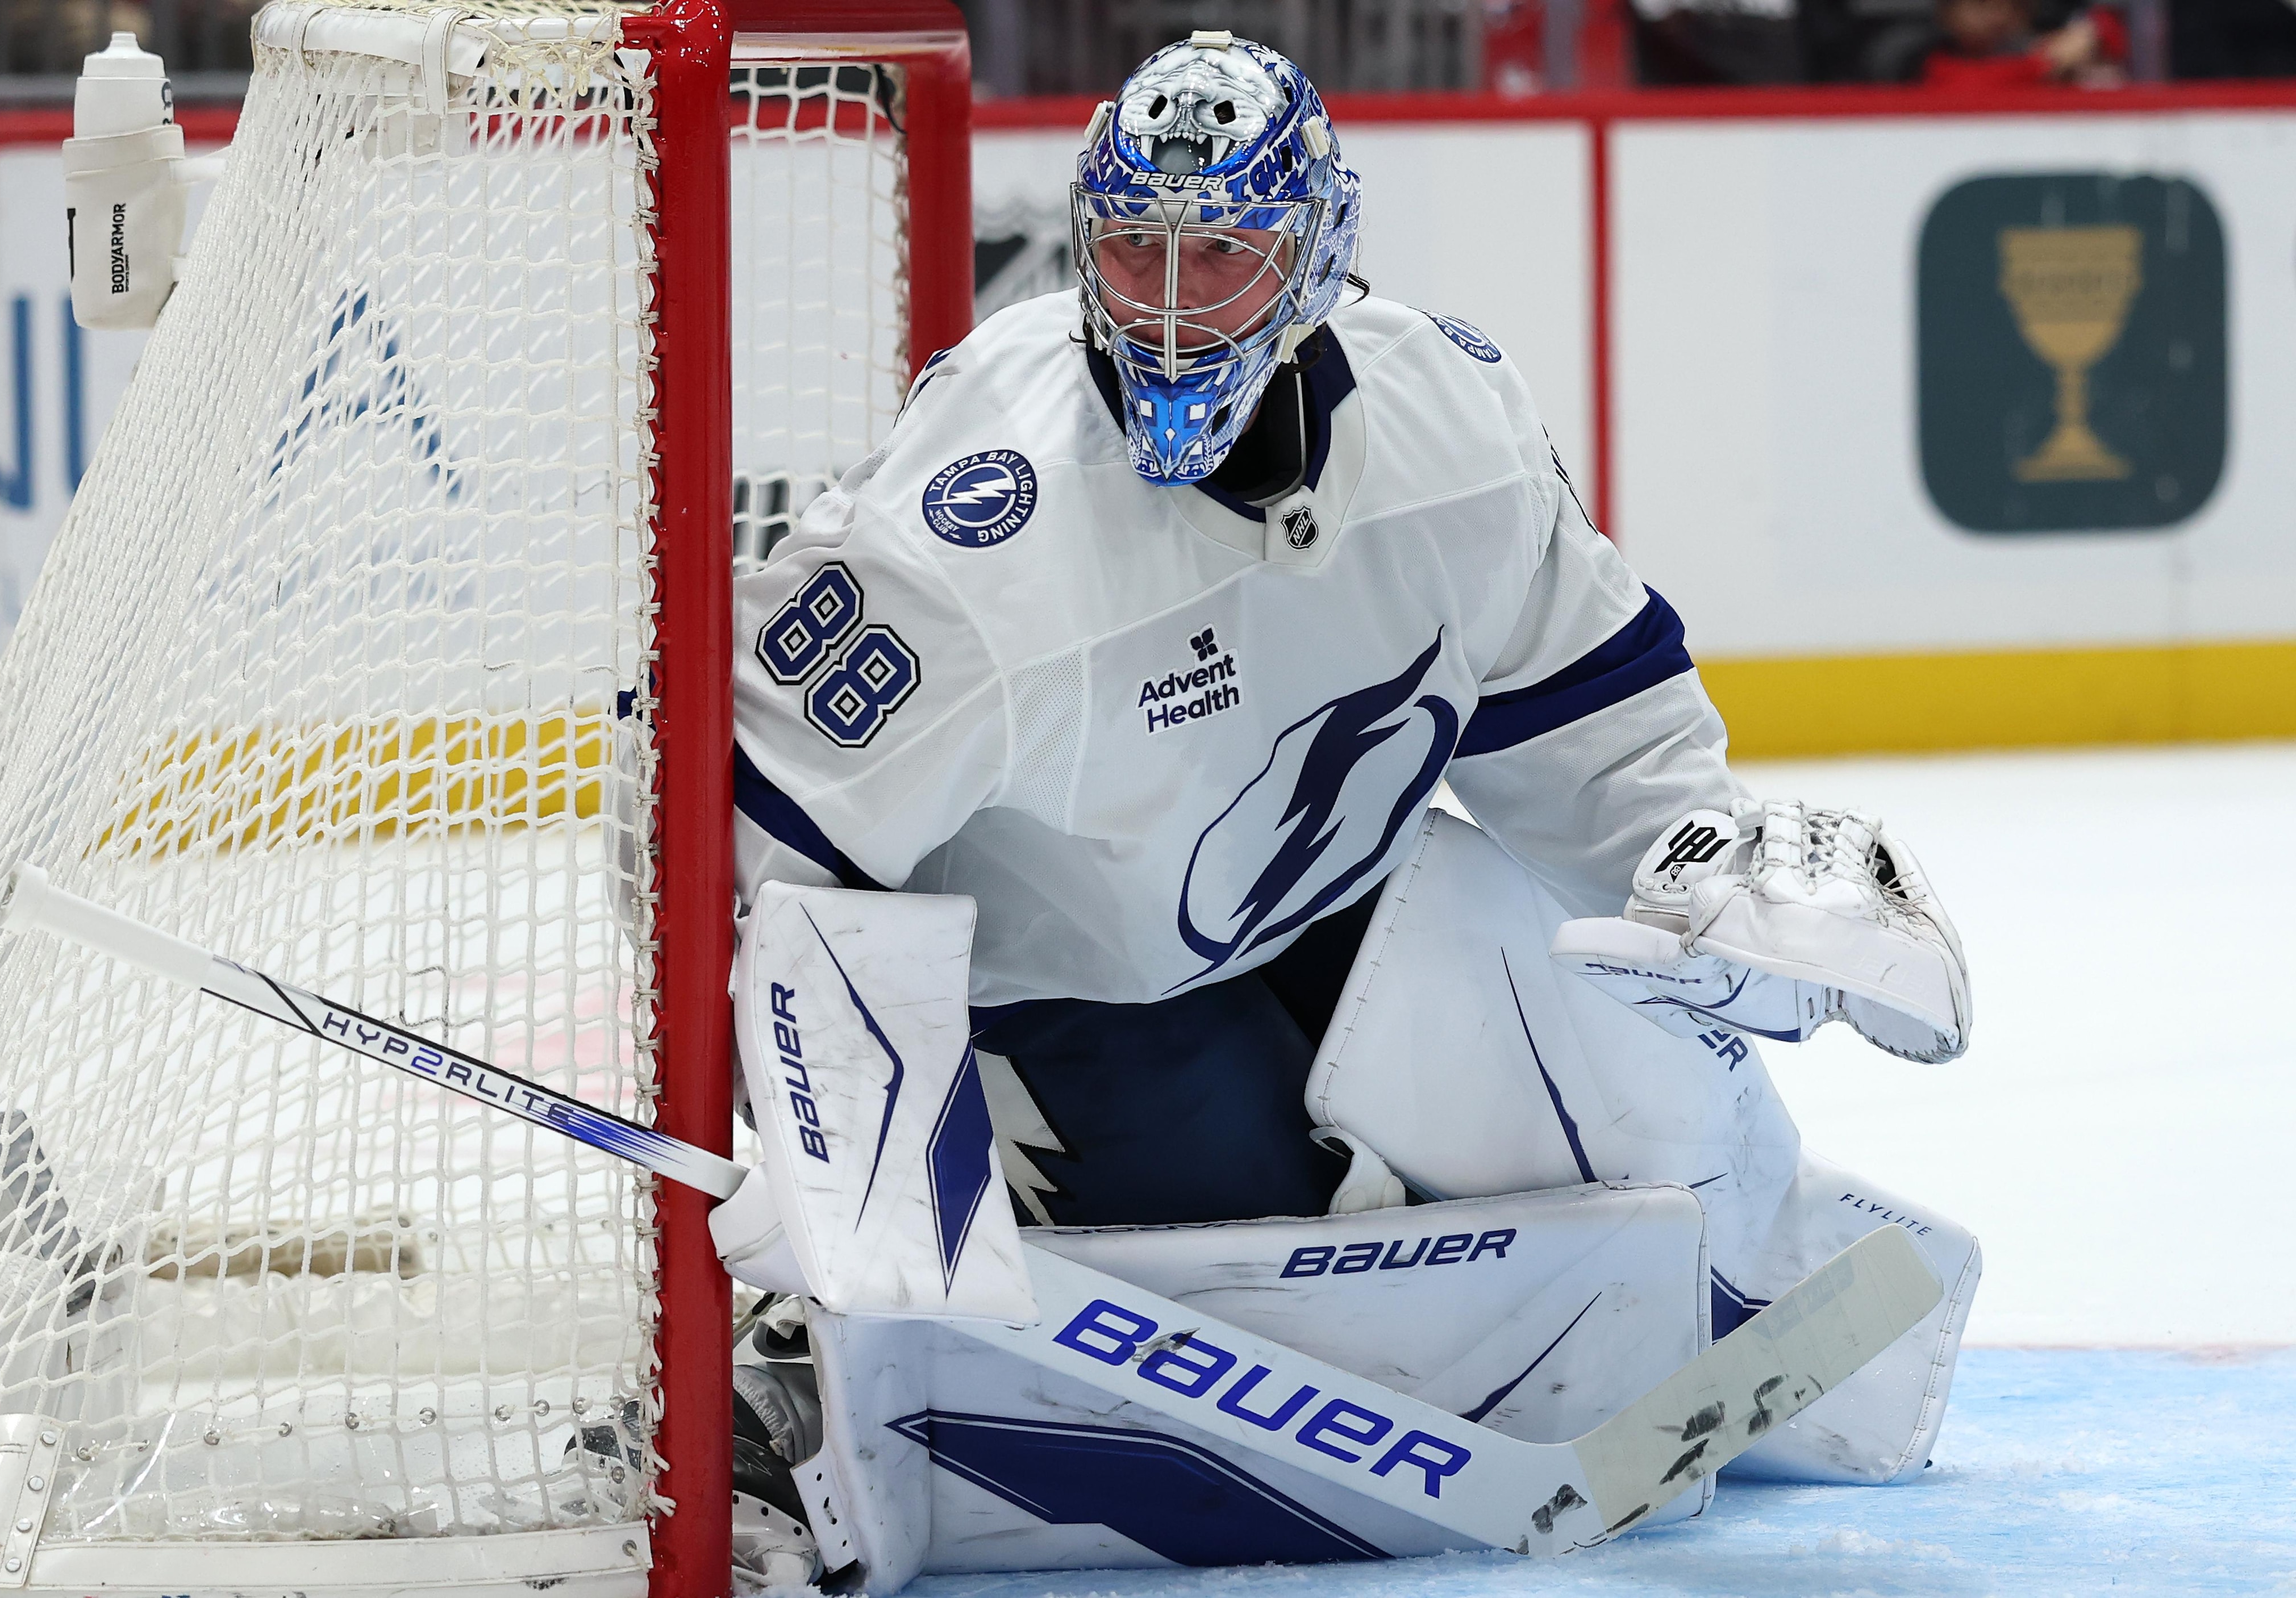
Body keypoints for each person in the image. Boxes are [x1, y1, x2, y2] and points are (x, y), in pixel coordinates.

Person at [719, 30, 1979, 1587]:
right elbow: (764, 848)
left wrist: (1709, 884)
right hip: (1061, 987)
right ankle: (807, 1371)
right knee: (1317, 1305)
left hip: (1344, 900)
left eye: (1222, 253)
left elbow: (1592, 735)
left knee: (1648, 1075)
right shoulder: (972, 538)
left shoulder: (1451, 424)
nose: (1167, 304)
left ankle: (1765, 1293)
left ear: (1317, 258)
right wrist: (816, 1142)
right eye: (1132, 250)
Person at [1918, 0, 2126, 86]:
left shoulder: (2032, 46)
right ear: (1948, 13)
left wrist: (2093, 33)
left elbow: (2114, 35)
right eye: (1982, 4)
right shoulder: (1929, 61)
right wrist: (2045, 63)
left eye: (2012, 6)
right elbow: (1970, 87)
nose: (1999, 17)